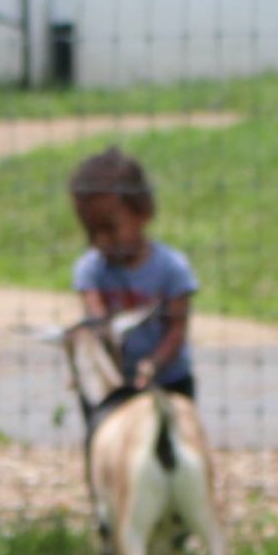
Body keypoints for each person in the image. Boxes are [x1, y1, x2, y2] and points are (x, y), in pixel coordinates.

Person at [69, 146, 196, 397]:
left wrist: (153, 365)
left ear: (143, 212)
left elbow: (177, 331)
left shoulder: (173, 268)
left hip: (170, 382)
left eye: (110, 228)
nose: (102, 241)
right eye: (92, 231)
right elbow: (98, 322)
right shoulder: (90, 270)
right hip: (114, 385)